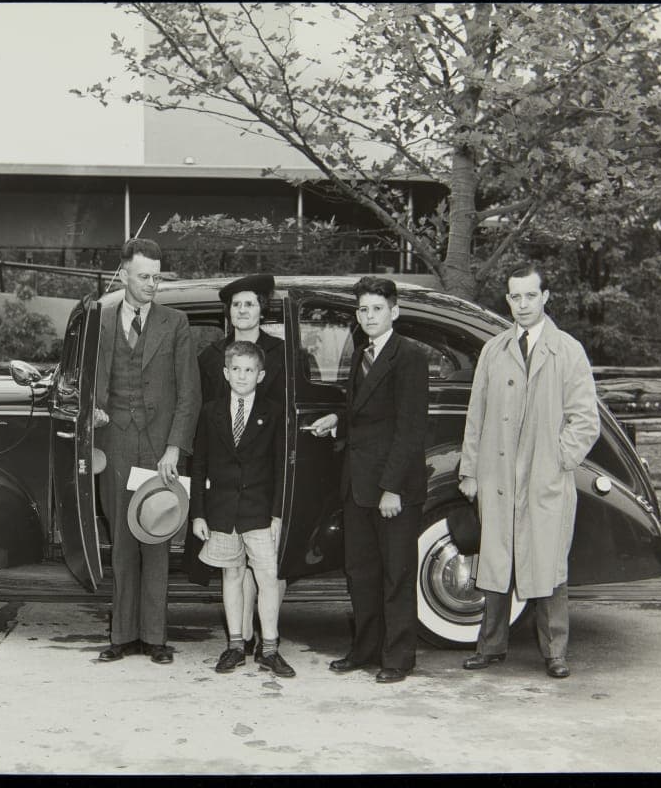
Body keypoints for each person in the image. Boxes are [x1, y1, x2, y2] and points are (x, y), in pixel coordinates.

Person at [457, 263, 599, 679]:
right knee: (496, 561)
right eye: (515, 297)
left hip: (544, 478)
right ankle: (491, 646)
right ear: (507, 299)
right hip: (498, 477)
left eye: (530, 296)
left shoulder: (567, 350)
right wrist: (469, 471)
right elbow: (476, 416)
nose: (522, 304)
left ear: (546, 296)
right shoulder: (494, 350)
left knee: (549, 563)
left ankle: (555, 652)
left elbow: (585, 420)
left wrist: (558, 459)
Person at [310, 276, 428, 684]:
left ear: (394, 311)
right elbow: (367, 415)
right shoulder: (363, 351)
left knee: (396, 575)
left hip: (392, 490)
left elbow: (410, 429)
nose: (369, 315)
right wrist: (338, 421)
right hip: (358, 486)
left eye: (377, 308)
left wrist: (392, 487)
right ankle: (364, 650)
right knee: (361, 574)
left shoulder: (408, 356)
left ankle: (398, 659)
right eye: (363, 309)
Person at [94, 238, 201, 665]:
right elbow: (81, 382)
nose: (153, 284)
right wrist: (92, 414)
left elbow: (188, 394)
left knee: (156, 538)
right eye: (144, 276)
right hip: (114, 443)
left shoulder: (175, 323)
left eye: (157, 276)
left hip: (159, 447)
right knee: (121, 541)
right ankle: (122, 636)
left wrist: (174, 447)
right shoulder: (98, 320)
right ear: (124, 275)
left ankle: (155, 638)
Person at [189, 274, 287, 659]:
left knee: (265, 574)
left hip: (260, 489)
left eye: (250, 303)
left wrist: (278, 509)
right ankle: (237, 640)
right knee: (232, 572)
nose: (243, 310)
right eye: (236, 304)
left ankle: (268, 645)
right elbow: (203, 448)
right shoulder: (212, 357)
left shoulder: (281, 352)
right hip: (224, 494)